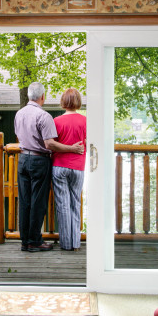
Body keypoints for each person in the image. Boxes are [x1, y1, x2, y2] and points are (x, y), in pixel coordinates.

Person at [14, 82, 84, 252]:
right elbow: (50, 144)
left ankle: (26, 241)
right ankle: (36, 241)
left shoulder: (19, 114)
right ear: (42, 97)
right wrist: (73, 149)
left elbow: (19, 136)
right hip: (39, 161)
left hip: (23, 159)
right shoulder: (43, 116)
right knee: (38, 202)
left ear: (30, 96)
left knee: (24, 201)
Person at [52, 88, 87, 251]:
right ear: (78, 102)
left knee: (62, 204)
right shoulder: (85, 120)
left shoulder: (56, 121)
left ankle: (66, 244)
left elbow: (52, 144)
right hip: (78, 166)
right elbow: (90, 142)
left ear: (63, 102)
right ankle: (76, 243)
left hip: (59, 165)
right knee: (75, 203)